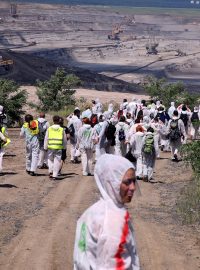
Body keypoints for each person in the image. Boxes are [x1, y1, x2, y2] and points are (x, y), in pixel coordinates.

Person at [73, 154, 140, 270]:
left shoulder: (92, 212)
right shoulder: (112, 220)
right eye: (127, 182)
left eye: (134, 181)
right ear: (112, 182)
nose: (133, 187)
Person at [44, 115, 67, 180]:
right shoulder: (61, 129)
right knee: (57, 161)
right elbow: (64, 139)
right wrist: (64, 147)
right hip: (59, 147)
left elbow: (46, 138)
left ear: (53, 120)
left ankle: (51, 170)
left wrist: (45, 147)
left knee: (50, 159)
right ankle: (55, 175)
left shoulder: (49, 128)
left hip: (50, 147)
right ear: (59, 120)